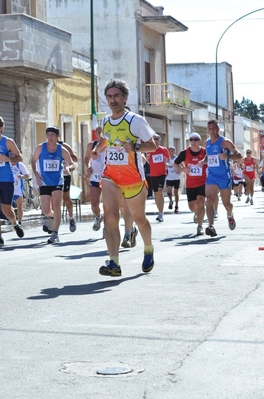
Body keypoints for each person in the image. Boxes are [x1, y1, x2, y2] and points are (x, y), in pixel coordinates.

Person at [91, 78, 156, 277]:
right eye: (109, 96)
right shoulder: (105, 121)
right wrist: (97, 149)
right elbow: (105, 140)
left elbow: (153, 145)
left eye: (116, 96)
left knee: (139, 218)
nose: (113, 100)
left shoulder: (135, 121)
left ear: (125, 97)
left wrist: (135, 147)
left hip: (133, 178)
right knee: (110, 216)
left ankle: (148, 248)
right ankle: (114, 263)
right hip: (111, 176)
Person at [31, 126, 76, 244]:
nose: (50, 137)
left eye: (52, 135)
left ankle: (55, 233)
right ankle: (54, 218)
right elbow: (33, 160)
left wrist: (69, 168)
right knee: (46, 210)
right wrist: (36, 173)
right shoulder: (40, 147)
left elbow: (73, 163)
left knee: (56, 206)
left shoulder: (62, 150)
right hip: (44, 181)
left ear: (57, 137)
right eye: (48, 135)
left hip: (57, 181)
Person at [201, 120, 242, 237]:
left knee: (227, 204)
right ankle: (211, 226)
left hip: (224, 177)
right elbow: (208, 157)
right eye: (209, 129)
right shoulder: (206, 143)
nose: (211, 131)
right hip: (212, 176)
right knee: (209, 200)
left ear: (218, 129)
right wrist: (203, 161)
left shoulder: (224, 142)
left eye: (214, 128)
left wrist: (227, 156)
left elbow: (239, 155)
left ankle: (230, 215)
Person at [174, 132, 207, 235]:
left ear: (199, 141)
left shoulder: (205, 152)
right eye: (191, 140)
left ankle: (200, 226)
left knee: (201, 201)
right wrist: (183, 169)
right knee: (192, 207)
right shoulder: (185, 153)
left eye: (195, 139)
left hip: (203, 182)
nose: (193, 142)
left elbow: (212, 161)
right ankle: (197, 212)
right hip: (190, 184)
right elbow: (174, 164)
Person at [0, 116, 25, 243]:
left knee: (6, 209)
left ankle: (15, 223)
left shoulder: (8, 142)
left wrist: (8, 159)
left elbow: (20, 158)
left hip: (6, 180)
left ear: (1, 128)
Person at [84, 126, 105, 231]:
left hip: (107, 176)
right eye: (99, 132)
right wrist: (88, 166)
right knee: (94, 203)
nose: (101, 135)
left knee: (108, 204)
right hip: (94, 176)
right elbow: (87, 158)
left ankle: (108, 227)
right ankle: (98, 217)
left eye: (102, 132)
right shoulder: (91, 145)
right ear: (95, 133)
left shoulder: (110, 145)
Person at [147, 134, 170, 222]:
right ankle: (159, 211)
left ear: (159, 140)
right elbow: (146, 160)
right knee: (156, 193)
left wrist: (167, 163)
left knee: (160, 190)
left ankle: (161, 213)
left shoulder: (163, 149)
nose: (155, 140)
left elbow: (168, 158)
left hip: (162, 173)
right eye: (154, 139)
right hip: (153, 174)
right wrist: (147, 158)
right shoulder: (149, 150)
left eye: (157, 138)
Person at [10, 156, 29, 225]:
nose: (12, 160)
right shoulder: (7, 165)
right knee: (8, 206)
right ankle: (13, 219)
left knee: (20, 206)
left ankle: (20, 222)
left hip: (18, 189)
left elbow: (27, 175)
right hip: (9, 188)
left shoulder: (20, 165)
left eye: (14, 158)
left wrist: (22, 176)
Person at [166, 146, 181, 213]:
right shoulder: (166, 158)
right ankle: (171, 201)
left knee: (175, 192)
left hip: (176, 177)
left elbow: (182, 165)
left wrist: (179, 170)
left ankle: (177, 205)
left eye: (172, 151)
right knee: (169, 191)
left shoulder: (177, 158)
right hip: (169, 177)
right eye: (169, 150)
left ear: (174, 151)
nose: (170, 152)